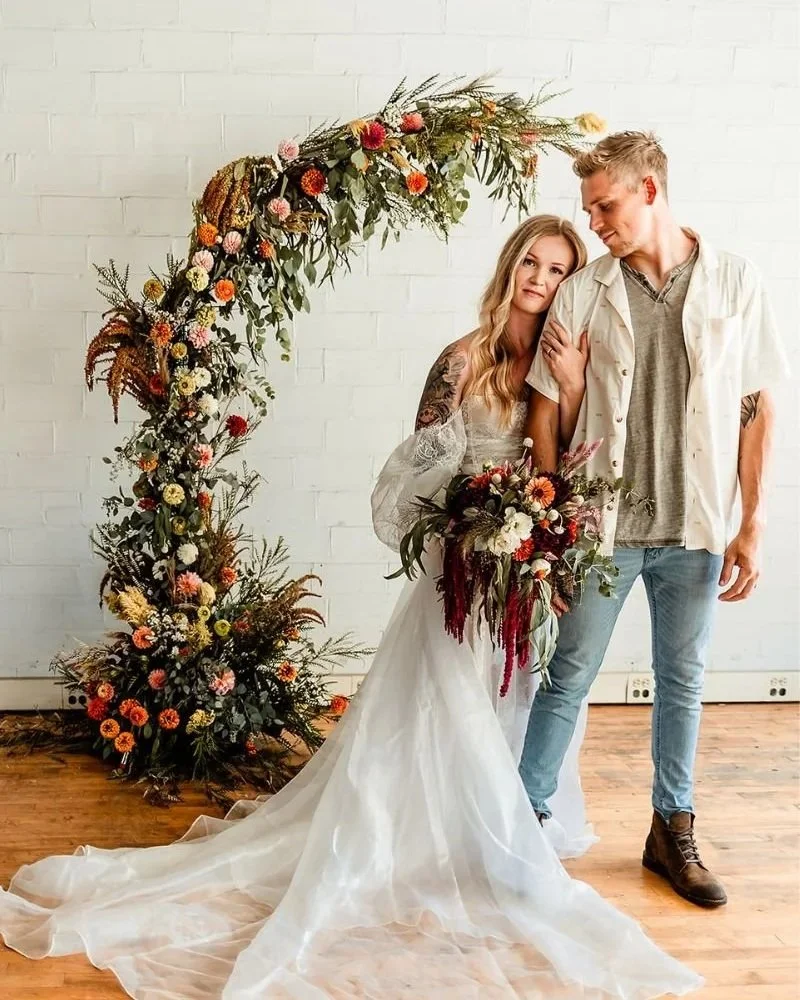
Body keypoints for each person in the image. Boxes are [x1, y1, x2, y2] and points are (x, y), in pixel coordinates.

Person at [0, 215, 703, 998]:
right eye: (532, 262)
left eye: (558, 268)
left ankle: (499, 832)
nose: (542, 278)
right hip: (464, 563)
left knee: (517, 697)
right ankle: (419, 834)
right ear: (511, 267)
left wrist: (567, 406)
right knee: (447, 701)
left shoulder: (566, 357)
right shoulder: (462, 359)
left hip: (524, 569)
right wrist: (475, 524)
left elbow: (576, 461)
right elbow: (417, 466)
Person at [519, 132, 788, 910]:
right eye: (588, 208)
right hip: (605, 530)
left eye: (605, 204)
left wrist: (754, 522)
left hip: (696, 529)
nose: (594, 221)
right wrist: (553, 525)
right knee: (568, 676)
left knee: (684, 681)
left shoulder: (737, 282)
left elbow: (757, 405)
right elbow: (545, 412)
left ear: (649, 190)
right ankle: (525, 826)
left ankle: (671, 830)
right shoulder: (584, 290)